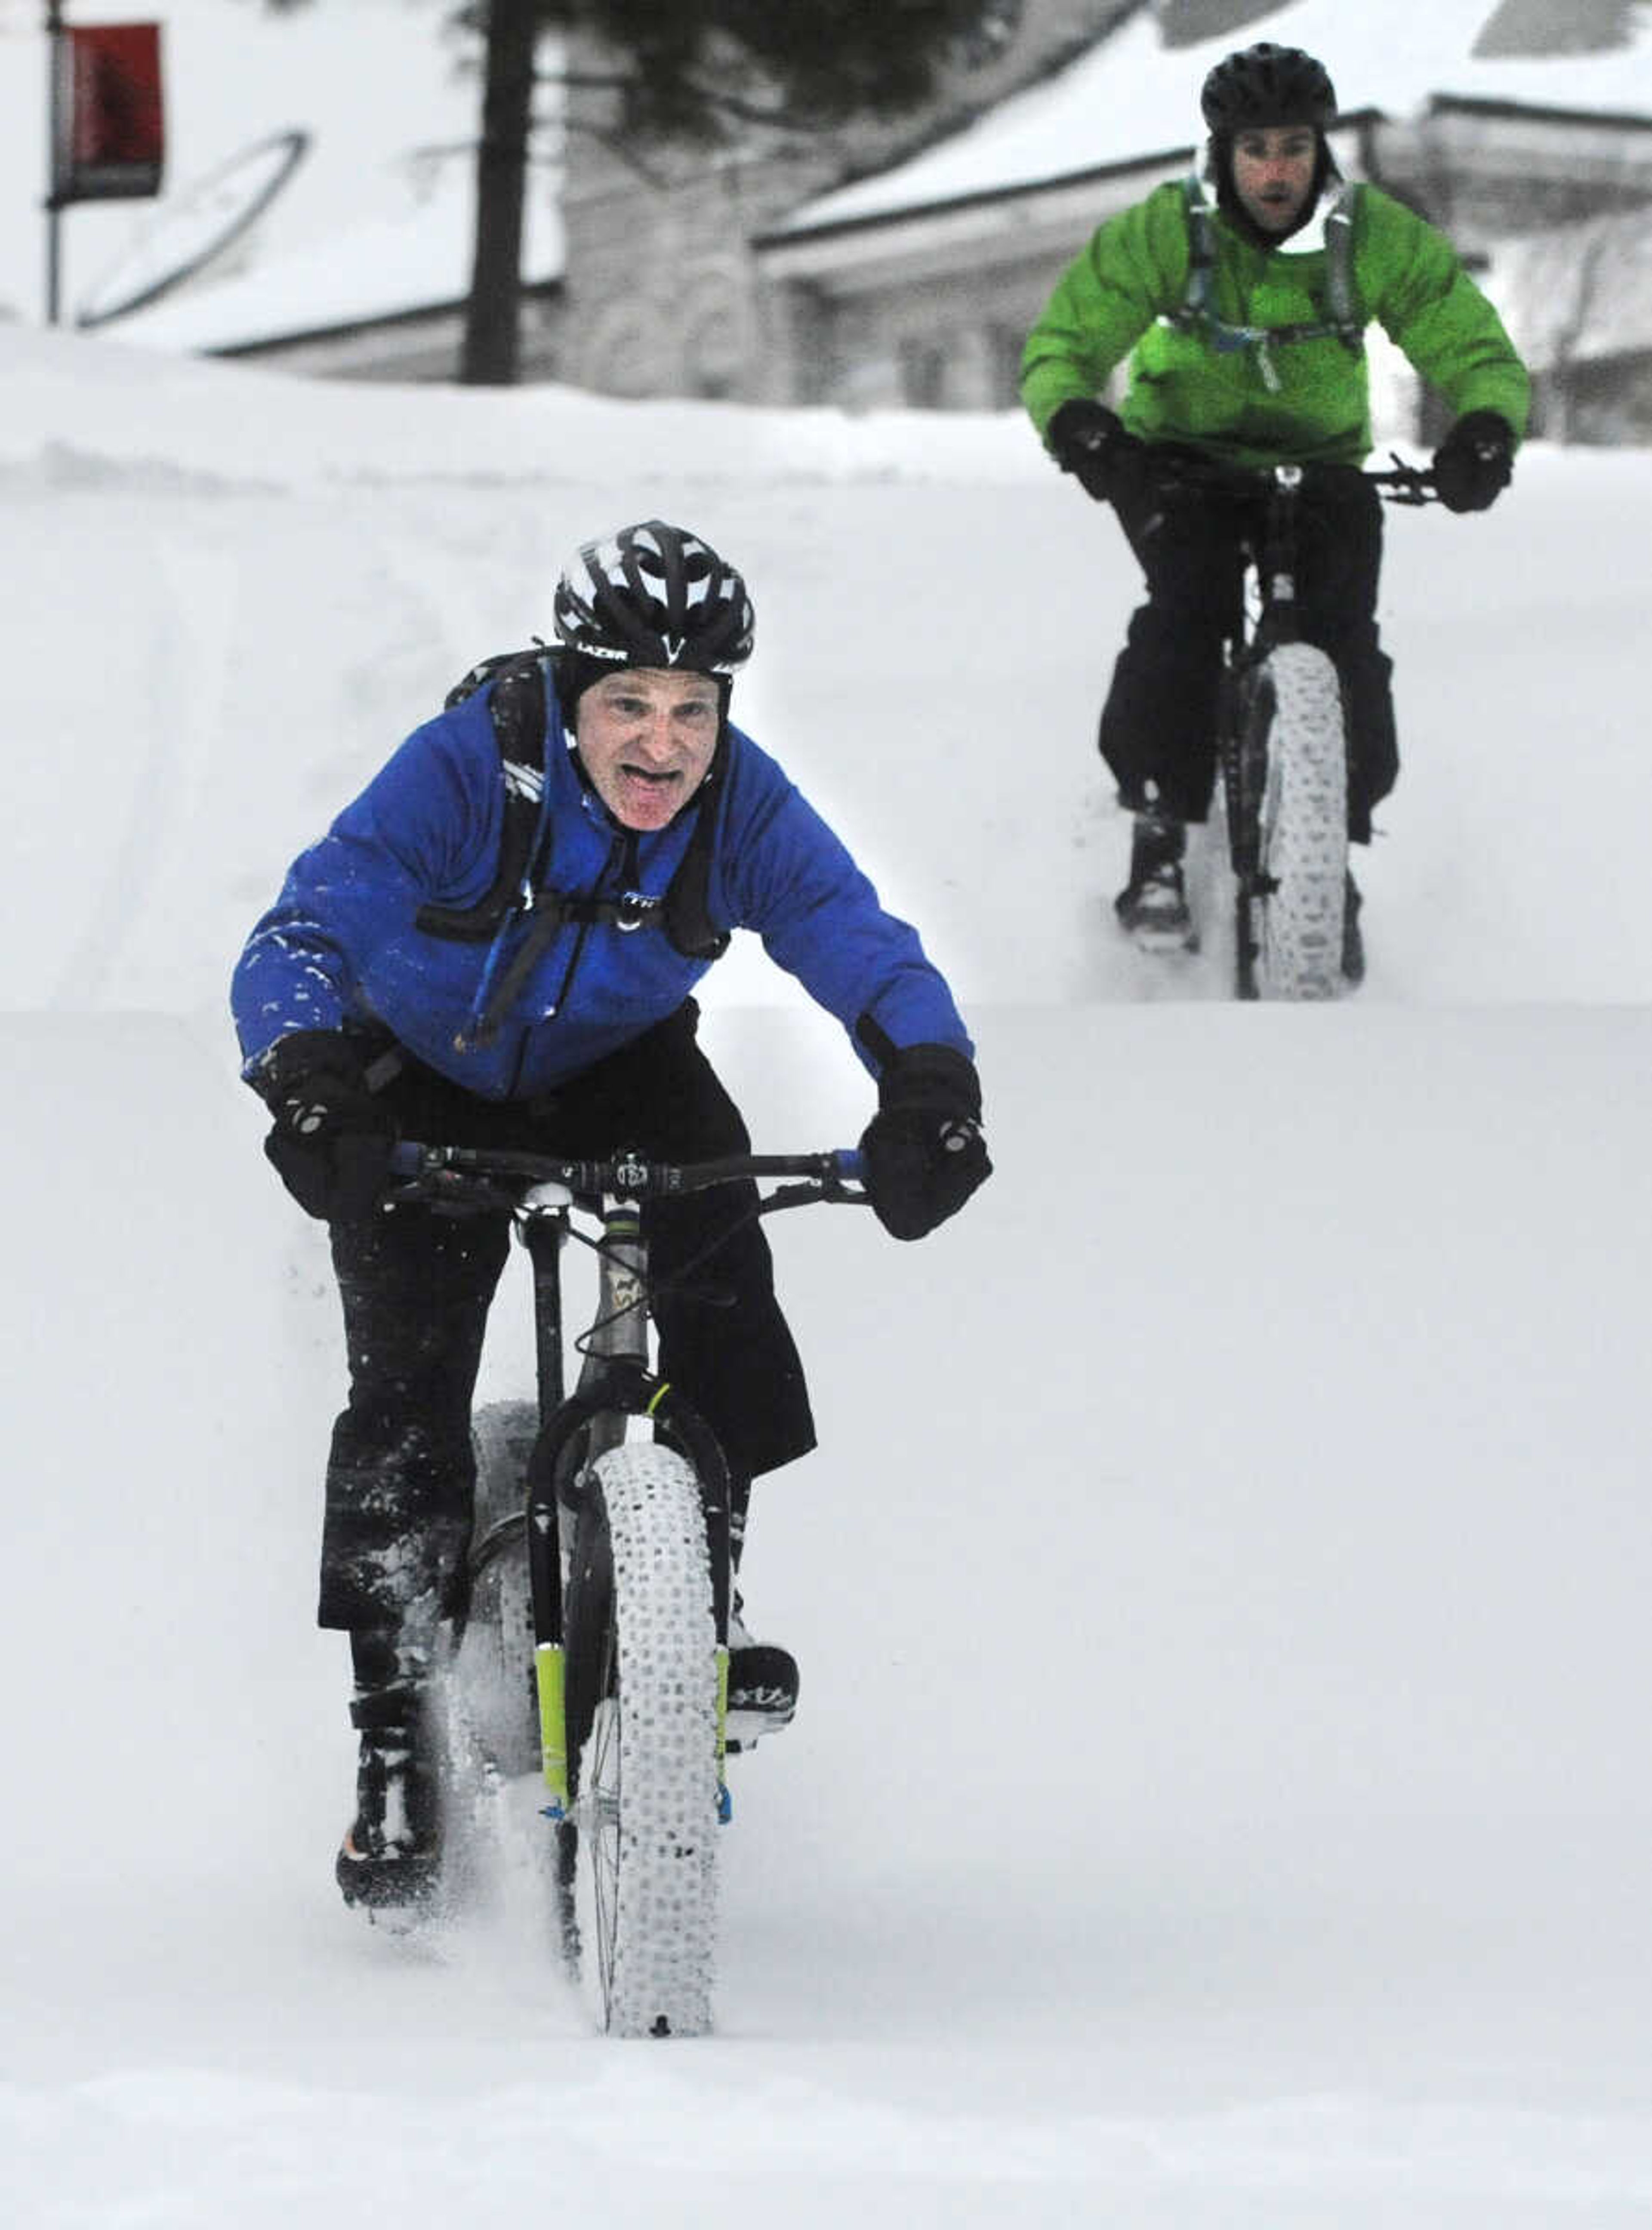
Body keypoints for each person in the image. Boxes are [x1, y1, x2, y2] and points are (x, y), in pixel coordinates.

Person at [232, 519, 991, 1913]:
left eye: (694, 708)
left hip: (612, 1072)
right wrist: (309, 1089)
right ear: (570, 693)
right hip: (416, 1076)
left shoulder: (738, 804)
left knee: (723, 1281)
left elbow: (850, 930)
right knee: (405, 1396)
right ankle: (392, 1731)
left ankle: (697, 1601)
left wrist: (931, 1085)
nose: (662, 744)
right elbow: (298, 934)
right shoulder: (467, 772)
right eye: (627, 703)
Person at [1020, 39, 1531, 972]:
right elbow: (1066, 342)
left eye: (1293, 148)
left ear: (1321, 150)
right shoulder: (1167, 230)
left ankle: (1329, 853)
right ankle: (1160, 840)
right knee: (1188, 611)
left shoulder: (1370, 234)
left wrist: (1486, 429)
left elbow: (1468, 341)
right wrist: (1085, 428)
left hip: (1319, 462)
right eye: (1254, 150)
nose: (1275, 171)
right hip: (1180, 461)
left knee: (1346, 644)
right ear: (1222, 154)